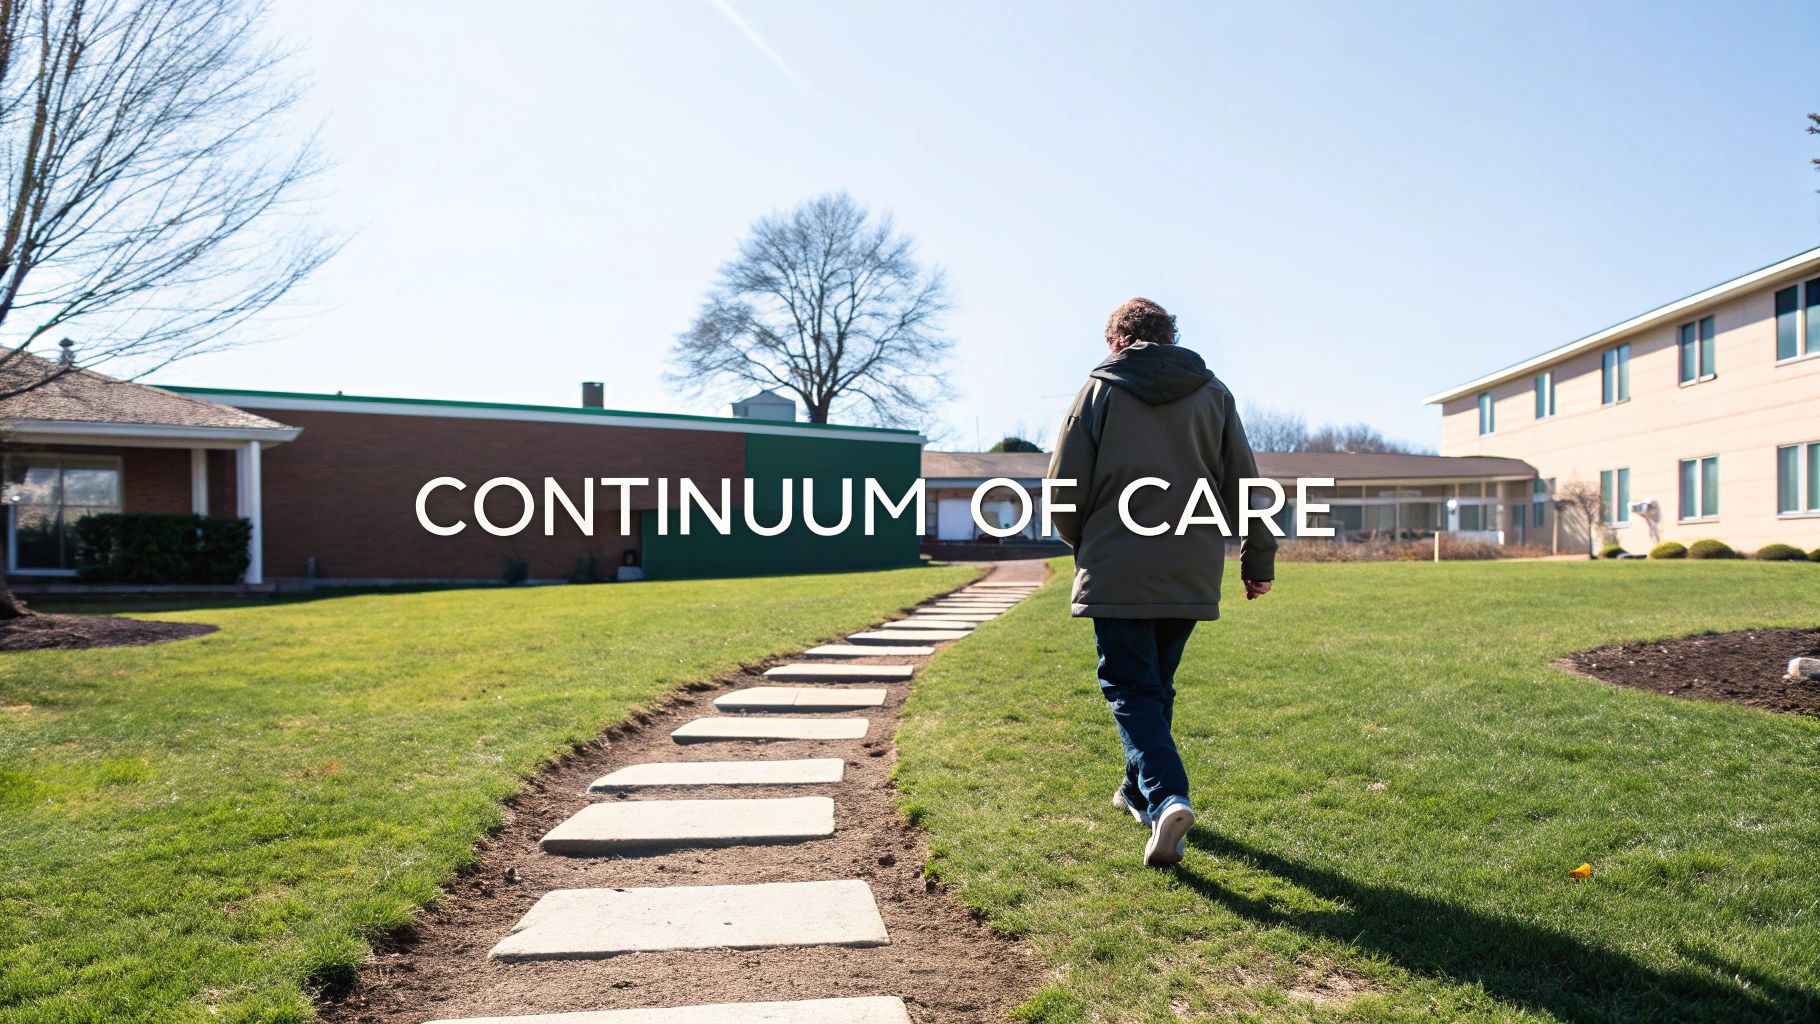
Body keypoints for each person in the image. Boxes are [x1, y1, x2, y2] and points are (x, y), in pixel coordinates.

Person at [1046, 297, 1276, 868]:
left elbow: (1063, 488)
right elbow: (1243, 481)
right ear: (1170, 337)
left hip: (1118, 561)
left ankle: (1169, 795)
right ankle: (1137, 792)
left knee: (1130, 688)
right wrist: (1258, 560)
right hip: (1190, 566)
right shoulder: (1214, 393)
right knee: (1154, 687)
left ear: (1116, 340)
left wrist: (1088, 545)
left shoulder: (1098, 391)